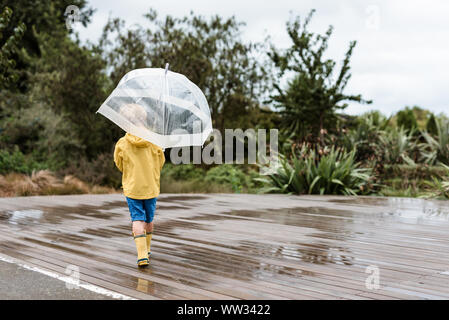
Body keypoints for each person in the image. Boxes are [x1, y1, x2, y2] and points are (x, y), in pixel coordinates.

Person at [114, 103, 165, 267]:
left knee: (137, 219)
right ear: (143, 119)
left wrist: (129, 171)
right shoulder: (154, 140)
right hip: (150, 187)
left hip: (132, 188)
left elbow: (119, 163)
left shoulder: (122, 143)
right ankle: (147, 248)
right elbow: (161, 162)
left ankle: (142, 254)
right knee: (149, 219)